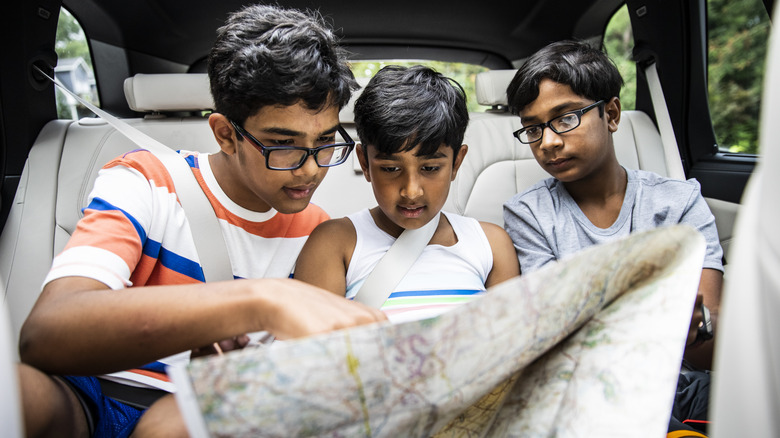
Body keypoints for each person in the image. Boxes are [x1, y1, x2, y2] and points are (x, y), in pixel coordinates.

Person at [17, 4, 386, 437]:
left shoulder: (320, 233)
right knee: (19, 393)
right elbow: (46, 333)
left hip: (208, 413)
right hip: (90, 391)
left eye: (324, 142)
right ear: (225, 134)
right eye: (282, 144)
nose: (309, 169)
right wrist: (257, 301)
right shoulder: (146, 182)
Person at [502, 40, 723, 434]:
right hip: (587, 387)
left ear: (612, 113)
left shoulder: (679, 202)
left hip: (681, 378)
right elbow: (558, 343)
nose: (548, 142)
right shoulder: (529, 215)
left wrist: (696, 326)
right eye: (533, 129)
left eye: (566, 118)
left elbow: (710, 345)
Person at [294, 65, 520, 322]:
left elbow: (510, 344)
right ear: (365, 163)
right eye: (390, 168)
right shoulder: (335, 243)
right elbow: (316, 352)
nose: (411, 191)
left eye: (431, 168)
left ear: (457, 162)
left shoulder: (491, 245)